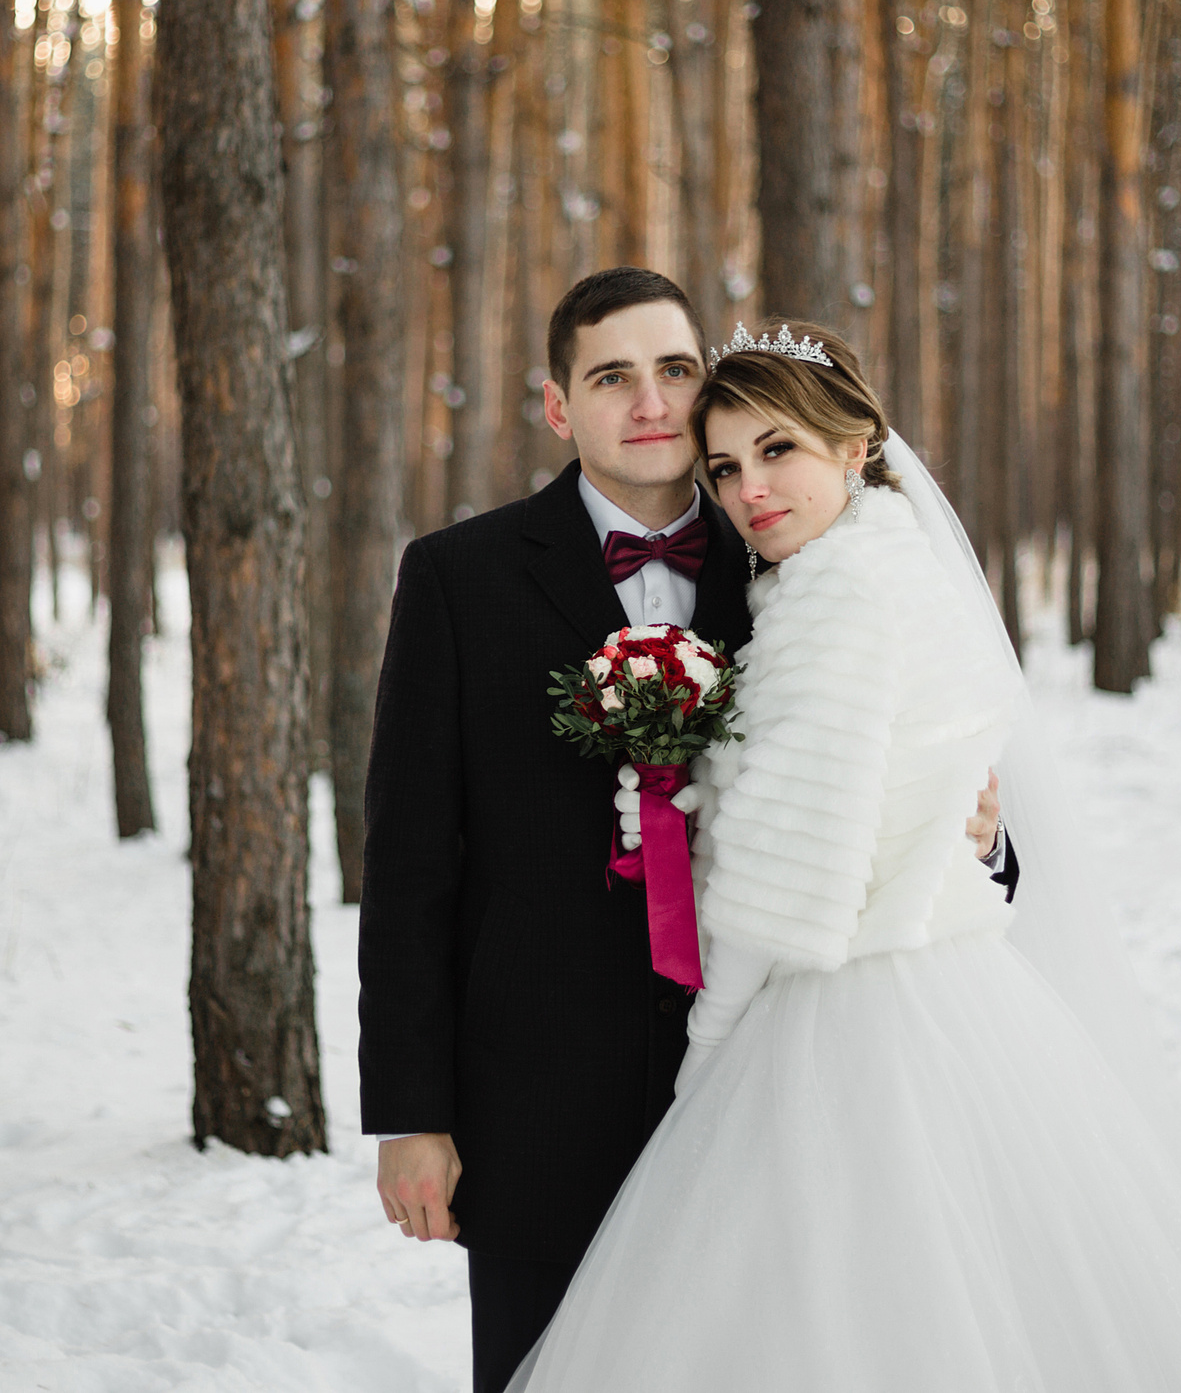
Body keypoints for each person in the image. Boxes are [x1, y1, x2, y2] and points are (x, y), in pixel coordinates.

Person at [503, 321, 1181, 1393]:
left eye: (778, 451)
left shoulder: (834, 602)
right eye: (727, 467)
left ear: (853, 445)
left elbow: (795, 870)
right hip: (952, 987)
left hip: (846, 1013)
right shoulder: (880, 566)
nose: (751, 489)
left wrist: (704, 1054)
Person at [357, 274, 1008, 1393]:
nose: (651, 402)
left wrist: (979, 836)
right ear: (559, 407)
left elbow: (924, 768)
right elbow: (411, 863)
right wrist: (410, 1114)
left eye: (674, 370)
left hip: (769, 1096)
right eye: (611, 376)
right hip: (538, 1104)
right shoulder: (458, 579)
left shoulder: (797, 554)